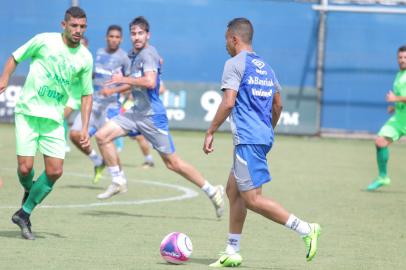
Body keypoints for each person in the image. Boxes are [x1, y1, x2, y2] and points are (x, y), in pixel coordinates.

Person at [203, 18, 321, 267]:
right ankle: (232, 250)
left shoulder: (234, 64)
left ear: (234, 39)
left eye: (226, 39)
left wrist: (211, 130)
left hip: (248, 140)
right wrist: (268, 129)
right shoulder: (266, 67)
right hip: (260, 138)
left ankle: (305, 228)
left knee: (252, 199)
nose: (225, 44)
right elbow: (278, 105)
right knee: (233, 191)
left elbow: (228, 102)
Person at [95, 16, 225, 218]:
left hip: (152, 116)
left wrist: (122, 78)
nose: (137, 37)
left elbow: (148, 81)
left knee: (173, 163)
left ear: (148, 35)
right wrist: (117, 88)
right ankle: (118, 181)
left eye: (141, 33)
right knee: (102, 136)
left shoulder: (148, 54)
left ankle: (211, 190)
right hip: (136, 112)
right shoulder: (135, 54)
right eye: (134, 33)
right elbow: (137, 82)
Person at [0, 6, 93, 240]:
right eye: (74, 26)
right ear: (64, 25)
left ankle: (25, 213)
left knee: (55, 171)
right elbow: (15, 57)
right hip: (28, 113)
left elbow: (86, 95)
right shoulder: (44, 40)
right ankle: (29, 189)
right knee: (25, 169)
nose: (78, 31)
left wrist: (84, 126)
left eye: (82, 27)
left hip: (53, 120)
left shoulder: (85, 57)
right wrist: (4, 78)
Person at [69, 24, 136, 184]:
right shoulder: (98, 53)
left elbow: (131, 83)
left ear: (121, 39)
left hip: (110, 108)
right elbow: (93, 74)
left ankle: (120, 179)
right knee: (74, 134)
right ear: (106, 37)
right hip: (93, 104)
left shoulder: (124, 58)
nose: (114, 40)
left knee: (108, 143)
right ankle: (97, 161)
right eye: (111, 36)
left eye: (117, 37)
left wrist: (113, 91)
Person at [367, 45, 406, 191]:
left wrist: (395, 98)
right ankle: (383, 177)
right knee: (380, 141)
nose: (402, 60)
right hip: (400, 119)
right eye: (400, 57)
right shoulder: (399, 75)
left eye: (405, 58)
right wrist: (395, 106)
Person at [64, 36, 89, 153]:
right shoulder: (71, 58)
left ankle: (116, 144)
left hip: (83, 98)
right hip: (72, 98)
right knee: (60, 118)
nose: (81, 46)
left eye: (83, 44)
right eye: (80, 44)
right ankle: (61, 143)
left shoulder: (88, 60)